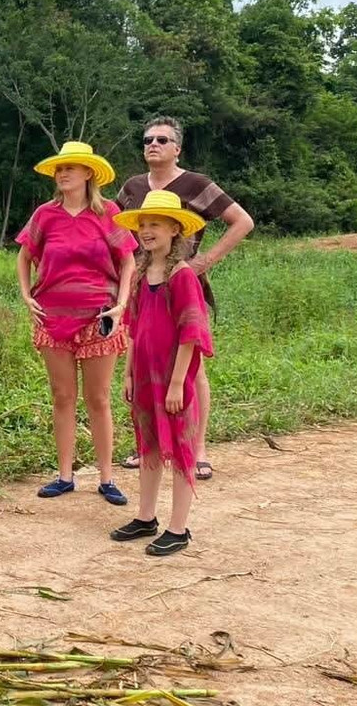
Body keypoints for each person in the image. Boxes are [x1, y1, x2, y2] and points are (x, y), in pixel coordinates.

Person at [116, 117, 254, 481]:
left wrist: (203, 262)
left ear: (177, 148)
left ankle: (197, 448)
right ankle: (148, 445)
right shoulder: (132, 188)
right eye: (147, 139)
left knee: (192, 366)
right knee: (145, 361)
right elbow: (117, 234)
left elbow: (242, 222)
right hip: (144, 284)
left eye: (163, 139)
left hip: (182, 284)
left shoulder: (196, 184)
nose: (153, 144)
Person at [15, 141, 137, 505]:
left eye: (70, 167)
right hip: (52, 317)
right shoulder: (44, 215)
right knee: (62, 397)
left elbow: (128, 260)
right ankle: (65, 475)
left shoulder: (108, 213)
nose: (62, 173)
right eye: (59, 168)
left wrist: (122, 303)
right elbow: (24, 257)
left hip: (98, 316)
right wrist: (26, 294)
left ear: (88, 173)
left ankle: (107, 477)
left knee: (98, 398)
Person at [110, 190, 213, 556]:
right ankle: (146, 516)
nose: (146, 230)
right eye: (143, 224)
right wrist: (127, 373)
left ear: (174, 230)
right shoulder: (140, 273)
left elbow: (191, 332)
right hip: (144, 375)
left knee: (181, 447)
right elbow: (135, 328)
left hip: (173, 378)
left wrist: (175, 383)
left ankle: (178, 528)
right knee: (148, 444)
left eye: (155, 224)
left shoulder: (182, 275)